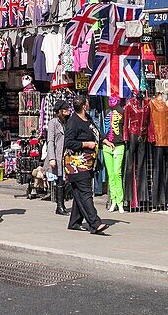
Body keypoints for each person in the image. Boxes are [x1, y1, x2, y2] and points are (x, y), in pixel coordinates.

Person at [63, 94, 109, 235]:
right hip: (76, 163)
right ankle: (95, 223)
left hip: (88, 162)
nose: (88, 103)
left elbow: (95, 132)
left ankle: (75, 222)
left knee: (79, 193)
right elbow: (69, 142)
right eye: (87, 102)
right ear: (83, 106)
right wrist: (85, 144)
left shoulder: (87, 118)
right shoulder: (73, 122)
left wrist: (104, 141)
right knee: (85, 193)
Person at [45, 99, 70, 216]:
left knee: (64, 180)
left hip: (66, 155)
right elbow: (50, 141)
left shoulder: (68, 122)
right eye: (65, 109)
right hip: (57, 155)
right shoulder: (53, 123)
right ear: (59, 111)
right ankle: (60, 206)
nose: (67, 111)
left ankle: (62, 204)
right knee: (60, 179)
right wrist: (52, 158)